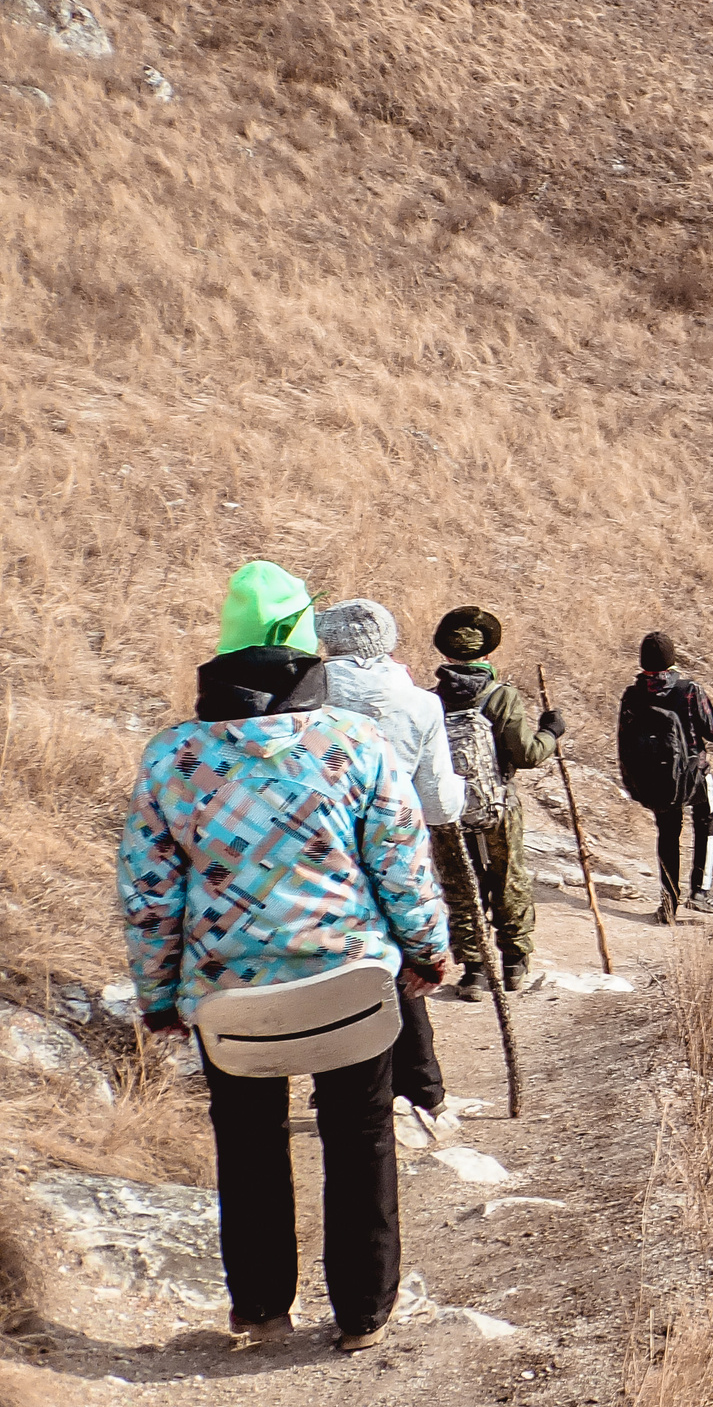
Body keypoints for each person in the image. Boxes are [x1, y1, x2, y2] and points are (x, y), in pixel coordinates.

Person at [120, 561, 450, 1355]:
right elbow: (402, 864)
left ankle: (262, 1309)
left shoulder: (174, 759)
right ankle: (364, 1312)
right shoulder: (353, 741)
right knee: (361, 1134)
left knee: (249, 1141)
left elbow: (150, 896)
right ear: (306, 649)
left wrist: (160, 996)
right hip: (352, 984)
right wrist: (427, 954)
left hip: (230, 998)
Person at [314, 599, 466, 1145]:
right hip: (399, 845)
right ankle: (424, 1087)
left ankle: (337, 1080)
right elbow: (440, 803)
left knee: (340, 964)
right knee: (407, 963)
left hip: (325, 855)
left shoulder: (310, 703)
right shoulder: (420, 705)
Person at [428, 606, 563, 999]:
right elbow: (527, 755)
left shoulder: (429, 699)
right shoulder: (501, 697)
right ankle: (514, 964)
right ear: (486, 653)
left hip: (447, 811)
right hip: (497, 807)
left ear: (447, 654)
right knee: (509, 880)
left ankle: (473, 971)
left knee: (459, 886)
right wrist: (551, 732)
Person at [619, 632, 713, 921]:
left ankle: (669, 903)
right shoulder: (688, 690)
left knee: (668, 835)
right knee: (705, 823)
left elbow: (624, 741)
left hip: (655, 779)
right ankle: (700, 892)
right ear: (672, 660)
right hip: (693, 774)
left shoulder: (632, 695)